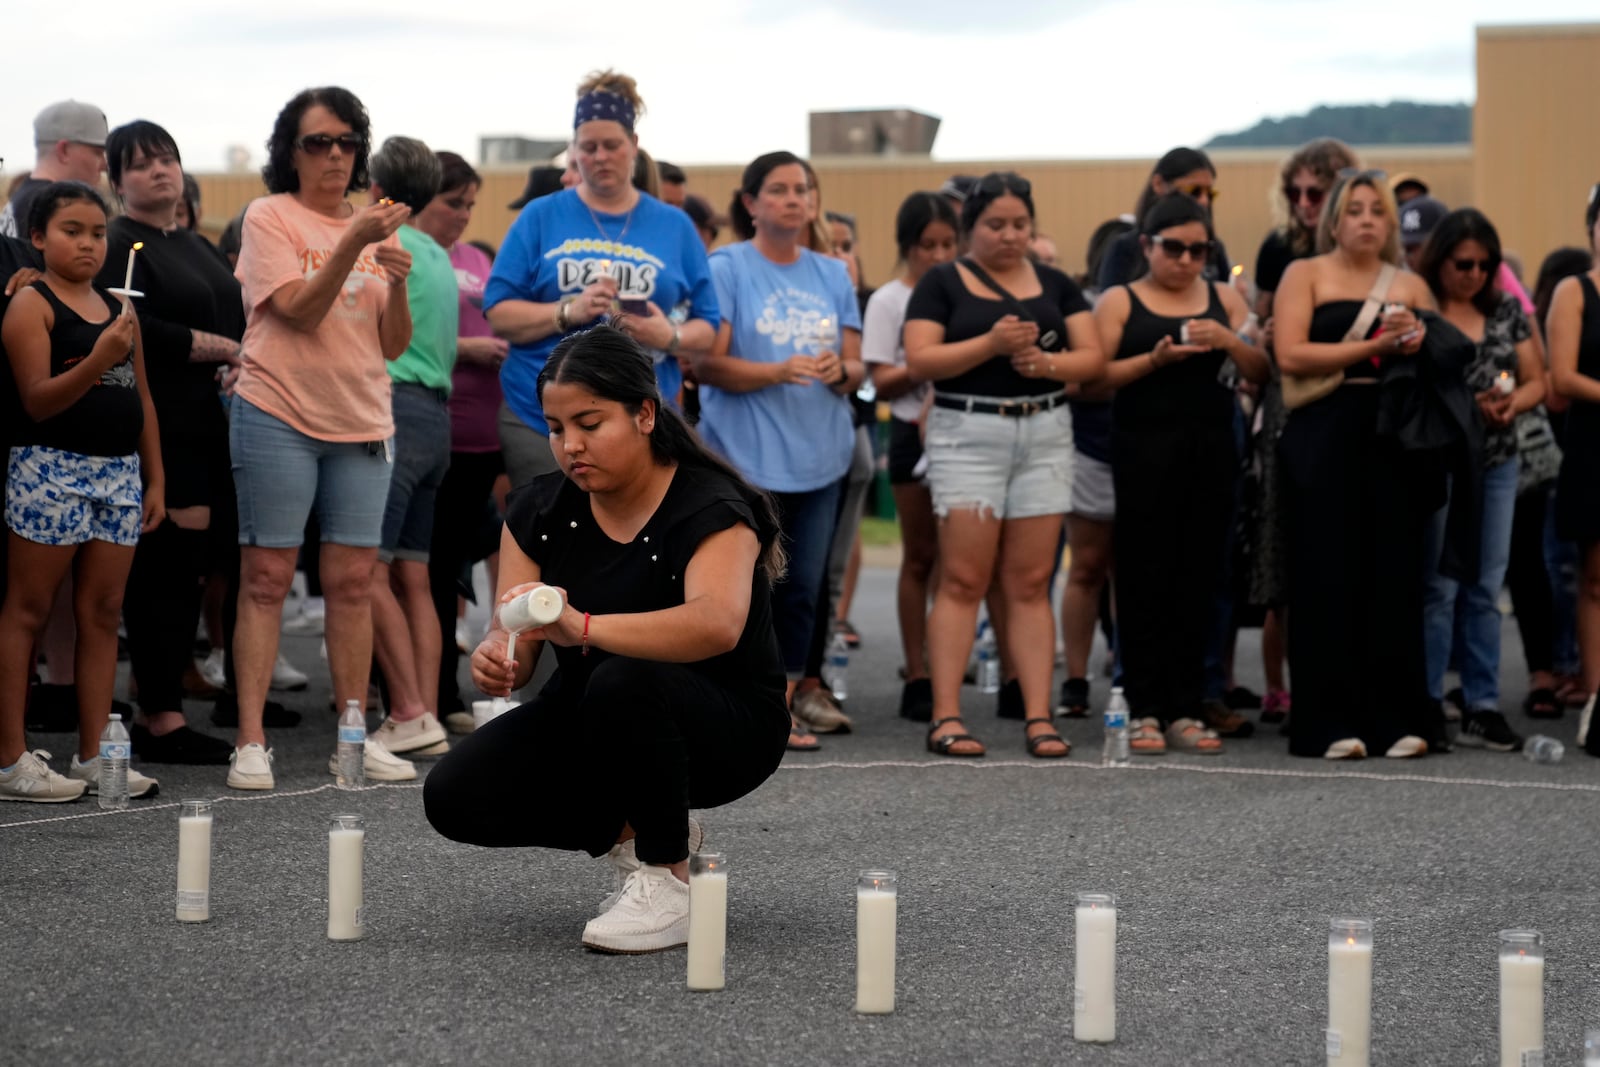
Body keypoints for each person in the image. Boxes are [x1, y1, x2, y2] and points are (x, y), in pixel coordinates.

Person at [424, 326, 790, 953]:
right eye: (556, 427)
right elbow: (520, 631)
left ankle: (668, 879)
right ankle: (648, 832)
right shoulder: (538, 509)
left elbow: (716, 623)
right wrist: (499, 655)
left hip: (730, 724)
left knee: (623, 675)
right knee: (454, 795)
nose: (570, 445)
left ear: (645, 414)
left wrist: (585, 628)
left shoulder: (714, 506)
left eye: (590, 423)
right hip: (600, 711)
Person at [228, 86, 416, 790]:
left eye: (345, 142)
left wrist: (394, 283)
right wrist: (355, 242)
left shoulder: (376, 225)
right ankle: (249, 740)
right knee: (269, 577)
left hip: (363, 417)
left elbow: (394, 345)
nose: (335, 154)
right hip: (277, 408)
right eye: (318, 142)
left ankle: (352, 732)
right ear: (291, 151)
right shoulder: (269, 215)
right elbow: (301, 312)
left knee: (352, 582)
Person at [904, 171, 1105, 759]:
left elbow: (1091, 359)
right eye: (996, 225)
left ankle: (1039, 717)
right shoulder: (943, 281)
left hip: (1044, 429)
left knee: (1030, 582)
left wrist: (1046, 366)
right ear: (971, 227)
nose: (1010, 235)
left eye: (1020, 224)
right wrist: (990, 346)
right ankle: (945, 717)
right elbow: (920, 360)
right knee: (964, 579)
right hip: (969, 432)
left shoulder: (1055, 282)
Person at [690, 151, 864, 749]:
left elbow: (857, 364)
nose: (795, 199)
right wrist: (774, 370)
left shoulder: (834, 273)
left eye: (803, 189)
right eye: (781, 189)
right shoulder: (728, 266)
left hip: (821, 454)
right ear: (751, 203)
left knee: (805, 587)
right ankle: (745, 702)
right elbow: (705, 365)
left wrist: (842, 370)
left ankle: (782, 707)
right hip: (746, 457)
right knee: (749, 586)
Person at [0, 183, 163, 801]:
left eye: (98, 232)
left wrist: (155, 476)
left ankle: (95, 753)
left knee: (101, 612)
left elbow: (142, 398)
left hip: (118, 473)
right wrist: (99, 357)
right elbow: (37, 401)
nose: (90, 243)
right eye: (73, 230)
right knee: (29, 610)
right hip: (49, 467)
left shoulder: (120, 310)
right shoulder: (30, 305)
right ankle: (11, 758)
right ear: (37, 238)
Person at [1273, 170, 1441, 760]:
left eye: (1378, 210)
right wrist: (1375, 346)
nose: (1367, 219)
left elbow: (1440, 364)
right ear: (1333, 221)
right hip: (1324, 430)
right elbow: (1290, 353)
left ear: (1391, 224)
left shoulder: (1411, 284)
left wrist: (1417, 340)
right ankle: (1326, 720)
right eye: (1355, 210)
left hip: (1393, 435)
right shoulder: (1304, 273)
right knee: (1325, 575)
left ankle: (1398, 718)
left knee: (1393, 575)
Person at [1092, 194, 1269, 754]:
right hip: (1143, 448)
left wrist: (1228, 342)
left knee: (1201, 576)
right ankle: (1142, 704)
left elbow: (1263, 370)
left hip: (1211, 447)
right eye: (1175, 248)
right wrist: (1154, 360)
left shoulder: (1224, 297)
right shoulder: (1120, 300)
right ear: (1146, 246)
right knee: (1144, 575)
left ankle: (1188, 705)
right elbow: (1092, 381)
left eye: (1199, 249)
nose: (1187, 260)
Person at [485, 70, 718, 487]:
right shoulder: (540, 215)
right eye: (588, 147)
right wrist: (567, 311)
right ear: (574, 151)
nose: (600, 156)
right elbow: (499, 312)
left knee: (632, 544)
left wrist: (669, 336)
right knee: (550, 541)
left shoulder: (674, 225)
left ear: (633, 147)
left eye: (612, 145)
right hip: (544, 418)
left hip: (642, 421)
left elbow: (709, 324)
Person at [96, 120, 243, 765]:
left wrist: (235, 357)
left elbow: (236, 314)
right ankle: (161, 718)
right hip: (161, 421)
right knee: (168, 575)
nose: (159, 172)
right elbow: (131, 324)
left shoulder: (194, 244)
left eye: (168, 160)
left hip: (212, 420)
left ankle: (158, 697)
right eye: (141, 164)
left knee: (197, 569)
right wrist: (222, 350)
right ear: (116, 180)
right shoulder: (119, 243)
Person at [1417, 208, 1547, 752]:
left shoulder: (1507, 311)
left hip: (1496, 460)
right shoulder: (1421, 311)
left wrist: (1512, 401)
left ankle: (1482, 704)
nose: (1472, 274)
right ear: (1439, 260)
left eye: (1483, 265)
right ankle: (1426, 701)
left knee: (1486, 584)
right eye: (1461, 263)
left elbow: (1541, 379)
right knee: (1439, 585)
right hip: (1443, 461)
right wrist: (1463, 406)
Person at [1249, 138, 1361, 725]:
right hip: (1292, 405)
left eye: (1316, 191)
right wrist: (1262, 338)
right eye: (1294, 192)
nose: (1304, 203)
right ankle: (1286, 686)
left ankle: (1348, 683)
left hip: (1359, 410)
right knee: (1286, 547)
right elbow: (1264, 331)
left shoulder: (1373, 256)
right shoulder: (1279, 250)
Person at [365, 136, 455, 759]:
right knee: (415, 577)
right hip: (436, 418)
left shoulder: (380, 243)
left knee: (364, 569)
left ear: (375, 187)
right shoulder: (439, 254)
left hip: (392, 406)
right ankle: (423, 713)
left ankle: (410, 710)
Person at [419, 152, 511, 731]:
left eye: (470, 205)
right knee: (427, 570)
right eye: (453, 202)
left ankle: (445, 692)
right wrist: (468, 349)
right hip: (434, 431)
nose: (463, 214)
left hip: (484, 438)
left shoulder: (477, 257)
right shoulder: (405, 253)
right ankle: (430, 693)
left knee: (455, 569)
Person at [863, 191, 959, 722]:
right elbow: (881, 381)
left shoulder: (965, 292)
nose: (939, 255)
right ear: (908, 246)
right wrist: (930, 364)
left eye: (949, 243)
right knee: (920, 556)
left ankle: (956, 667)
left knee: (961, 563)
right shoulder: (889, 301)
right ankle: (916, 672)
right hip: (907, 429)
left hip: (962, 430)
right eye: (929, 245)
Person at [1548, 186, 1600, 757]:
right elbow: (1561, 378)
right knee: (1594, 577)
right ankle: (1596, 696)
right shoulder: (1575, 289)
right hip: (1593, 443)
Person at [1097, 148, 1230, 289]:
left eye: (1209, 193)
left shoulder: (1214, 247)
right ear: (1158, 184)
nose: (1204, 201)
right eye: (1194, 191)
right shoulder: (1125, 248)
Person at [0, 101, 108, 240]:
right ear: (63, 151)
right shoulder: (52, 204)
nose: (105, 164)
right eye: (97, 153)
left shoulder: (23, 198)